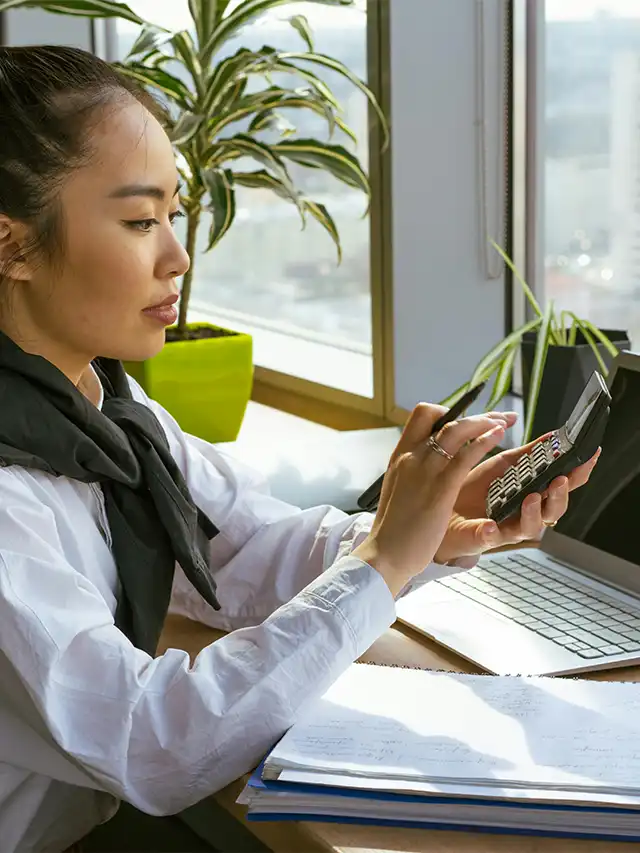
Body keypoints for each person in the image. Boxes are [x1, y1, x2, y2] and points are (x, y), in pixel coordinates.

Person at [0, 45, 598, 853]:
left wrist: (419, 531)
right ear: (13, 247)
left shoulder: (97, 403)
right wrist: (381, 561)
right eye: (142, 220)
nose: (177, 256)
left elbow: (236, 546)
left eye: (174, 214)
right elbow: (152, 742)